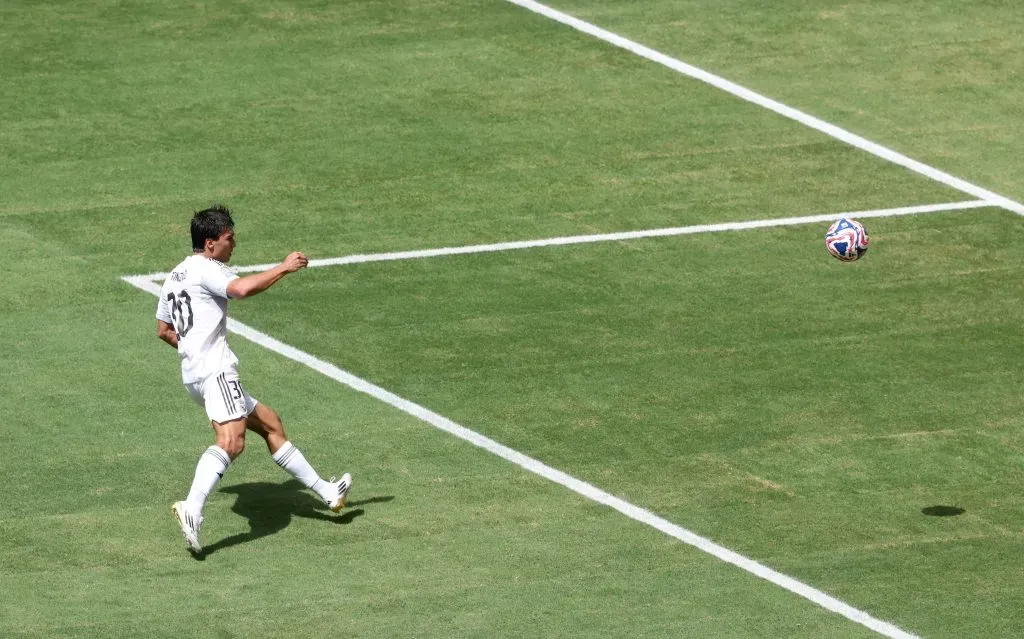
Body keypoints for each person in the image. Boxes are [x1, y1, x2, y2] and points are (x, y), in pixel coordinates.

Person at [156, 204, 351, 554]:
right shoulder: (206, 269)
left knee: (271, 424)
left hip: (195, 375)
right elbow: (242, 290)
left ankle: (327, 492)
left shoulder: (175, 275)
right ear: (210, 242)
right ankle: (192, 507)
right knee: (232, 442)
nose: (234, 245)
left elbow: (163, 329)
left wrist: (193, 348)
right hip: (215, 371)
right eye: (229, 239)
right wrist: (284, 267)